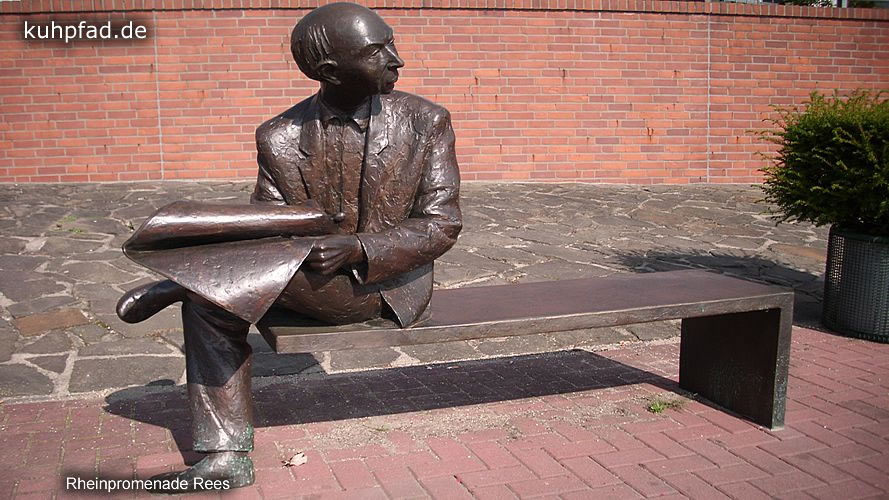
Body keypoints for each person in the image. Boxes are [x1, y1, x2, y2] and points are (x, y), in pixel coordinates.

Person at [115, 2, 461, 490]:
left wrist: (358, 247)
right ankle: (226, 456)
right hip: (303, 278)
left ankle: (181, 281)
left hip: (383, 286)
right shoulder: (278, 136)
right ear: (330, 71)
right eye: (377, 50)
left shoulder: (426, 122)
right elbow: (268, 229)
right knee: (210, 304)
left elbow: (442, 223)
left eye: (391, 43)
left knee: (208, 292)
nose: (396, 59)